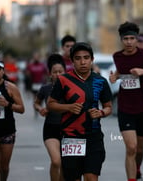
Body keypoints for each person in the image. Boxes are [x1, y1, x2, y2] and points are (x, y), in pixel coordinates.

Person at [47, 42, 113, 181]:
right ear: (72, 61)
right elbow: (51, 104)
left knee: (91, 177)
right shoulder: (63, 80)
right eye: (78, 58)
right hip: (71, 138)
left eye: (86, 57)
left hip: (94, 137)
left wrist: (101, 113)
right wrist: (68, 107)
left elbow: (108, 107)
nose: (82, 62)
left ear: (92, 59)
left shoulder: (101, 81)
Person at [109, 21, 143, 181]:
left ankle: (137, 168)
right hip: (125, 108)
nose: (129, 42)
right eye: (126, 39)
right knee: (130, 148)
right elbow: (121, 71)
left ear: (137, 39)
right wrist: (114, 76)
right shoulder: (117, 56)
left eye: (132, 38)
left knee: (139, 150)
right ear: (121, 40)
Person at [34, 54, 66, 181]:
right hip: (51, 129)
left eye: (60, 71)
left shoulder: (71, 88)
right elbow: (36, 103)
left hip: (68, 129)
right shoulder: (45, 89)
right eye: (55, 72)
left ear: (65, 72)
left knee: (65, 164)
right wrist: (40, 109)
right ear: (50, 74)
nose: (58, 74)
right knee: (56, 161)